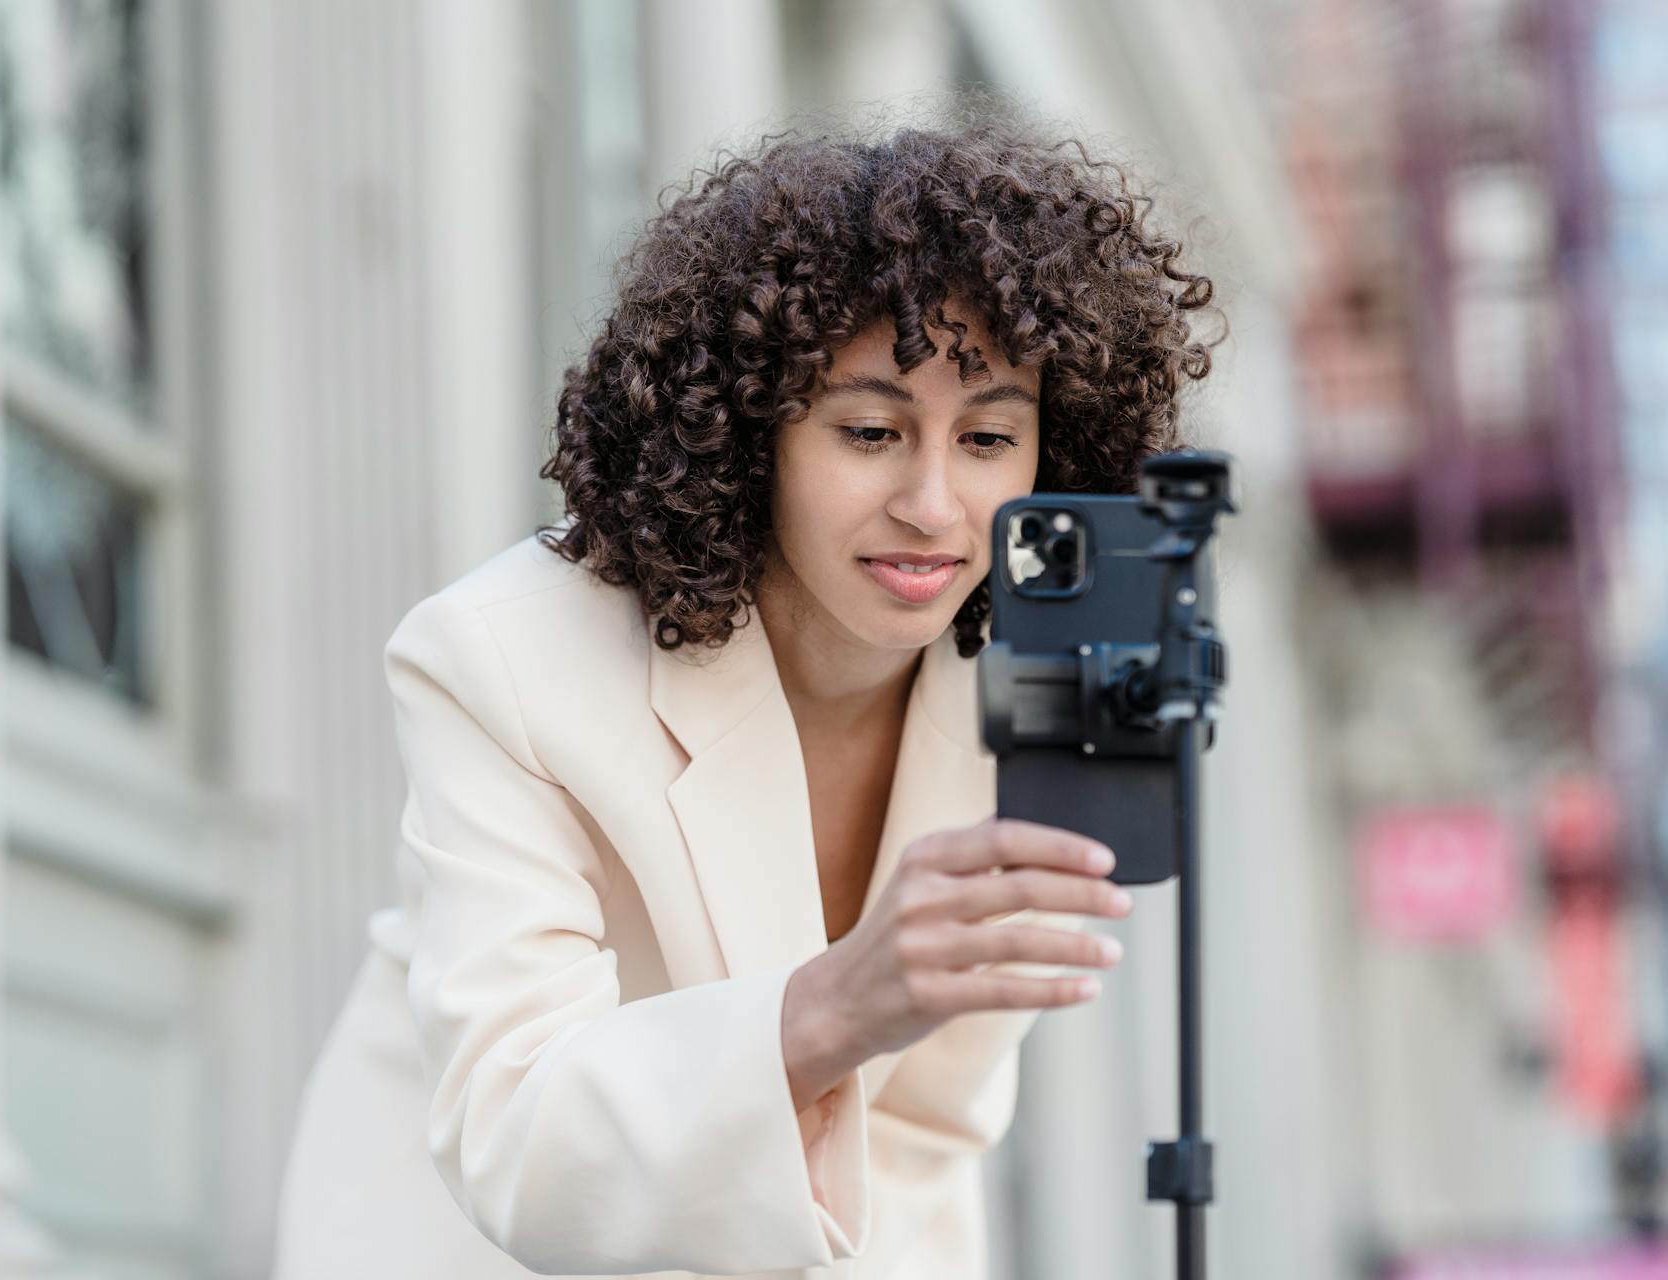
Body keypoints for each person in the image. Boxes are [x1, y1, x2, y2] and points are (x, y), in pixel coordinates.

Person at [273, 103, 1219, 1279]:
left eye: (987, 441)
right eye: (871, 430)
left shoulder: (1023, 693)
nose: (934, 505)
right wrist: (836, 1001)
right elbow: (516, 1128)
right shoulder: (498, 660)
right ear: (747, 430)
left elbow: (920, 1145)